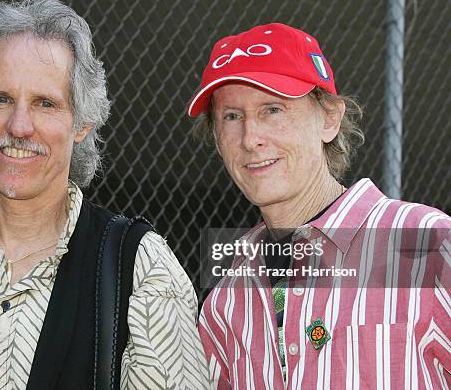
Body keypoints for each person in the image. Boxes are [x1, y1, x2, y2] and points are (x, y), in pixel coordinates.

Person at [0, 0, 209, 389]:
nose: (19, 126)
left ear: (81, 124)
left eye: (45, 103)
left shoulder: (142, 269)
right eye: (1, 99)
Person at [188, 23, 450, 389]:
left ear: (329, 119)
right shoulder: (225, 302)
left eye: (273, 109)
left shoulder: (427, 243)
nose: (250, 139)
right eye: (232, 116)